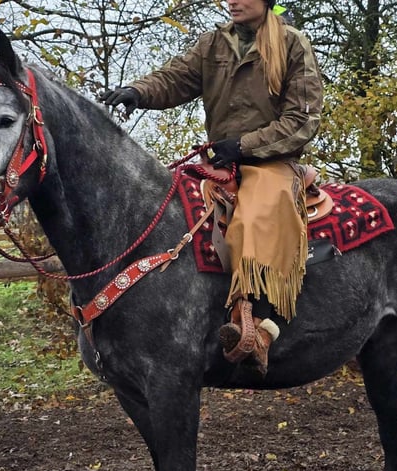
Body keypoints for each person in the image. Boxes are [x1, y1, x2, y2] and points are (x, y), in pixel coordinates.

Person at [100, 0, 323, 377]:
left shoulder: (291, 43)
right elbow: (173, 79)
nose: (232, 1)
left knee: (257, 213)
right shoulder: (213, 44)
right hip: (220, 162)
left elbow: (302, 119)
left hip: (270, 160)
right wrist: (137, 92)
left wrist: (245, 145)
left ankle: (260, 326)